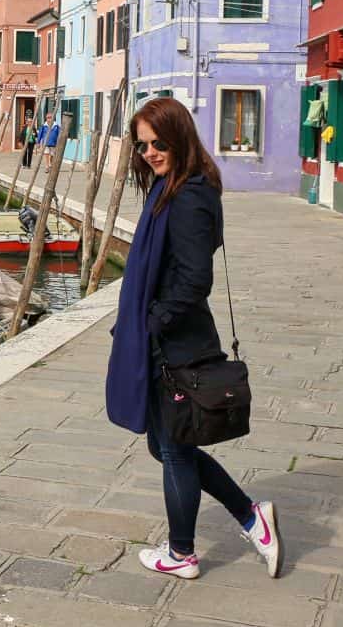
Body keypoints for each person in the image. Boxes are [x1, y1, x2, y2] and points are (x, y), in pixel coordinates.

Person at [105, 96, 282, 581]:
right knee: (167, 447)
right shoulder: (171, 189)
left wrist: (150, 323)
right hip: (167, 340)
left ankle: (182, 553)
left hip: (176, 345)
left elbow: (193, 279)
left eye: (158, 143)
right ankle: (251, 517)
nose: (150, 153)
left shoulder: (188, 197)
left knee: (175, 450)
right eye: (142, 146)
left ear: (180, 137)